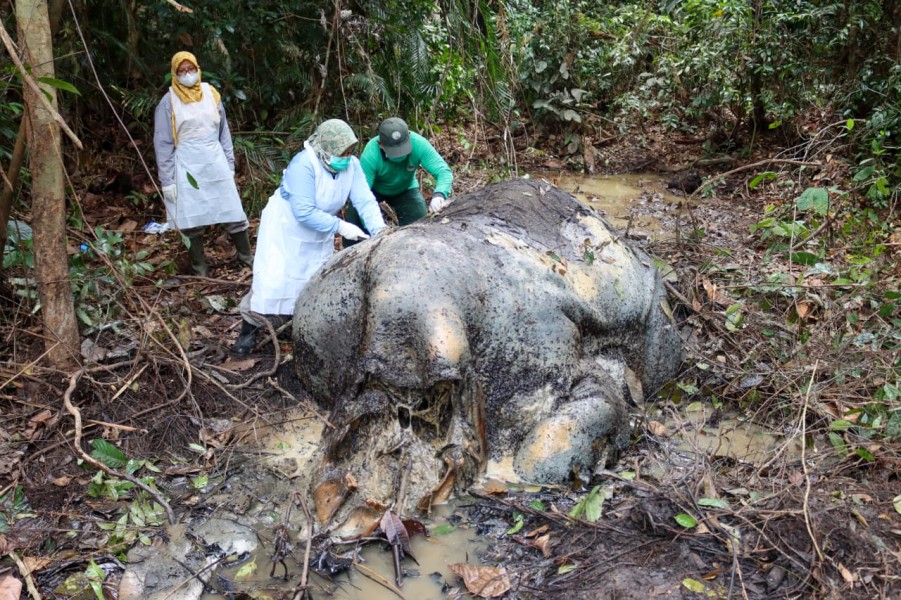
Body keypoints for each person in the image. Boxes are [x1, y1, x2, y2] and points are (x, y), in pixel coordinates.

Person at [232, 119, 386, 355]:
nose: (346, 157)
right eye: (342, 153)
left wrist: (379, 230)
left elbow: (364, 200)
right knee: (272, 281)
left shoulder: (352, 166)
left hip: (319, 229)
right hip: (286, 228)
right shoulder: (304, 164)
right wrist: (340, 226)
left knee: (310, 280)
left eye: (350, 152)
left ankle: (290, 324)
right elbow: (303, 211)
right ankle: (248, 330)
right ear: (325, 148)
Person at [153, 51, 252, 276]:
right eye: (182, 71)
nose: (187, 74)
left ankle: (246, 257)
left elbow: (224, 132)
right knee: (191, 218)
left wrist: (229, 164)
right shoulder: (168, 101)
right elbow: (163, 142)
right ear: (174, 74)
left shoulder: (211, 94)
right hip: (187, 163)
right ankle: (200, 268)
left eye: (191, 69)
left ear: (198, 69)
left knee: (232, 210)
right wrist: (167, 180)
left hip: (215, 159)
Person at [344, 117, 453, 243]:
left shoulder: (418, 144)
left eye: (403, 150)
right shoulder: (371, 154)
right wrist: (375, 229)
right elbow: (362, 195)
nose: (400, 155)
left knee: (419, 228)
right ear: (381, 144)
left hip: (405, 188)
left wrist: (439, 194)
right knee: (355, 222)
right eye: (395, 152)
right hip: (373, 189)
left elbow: (443, 171)